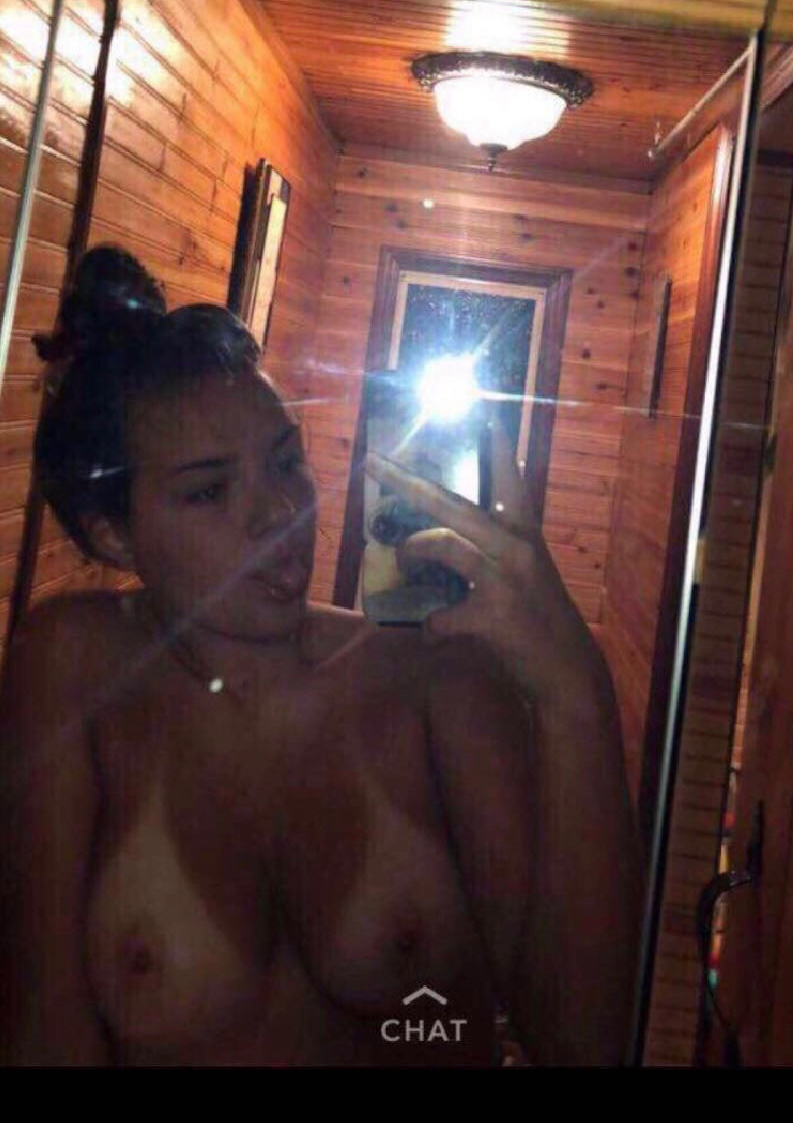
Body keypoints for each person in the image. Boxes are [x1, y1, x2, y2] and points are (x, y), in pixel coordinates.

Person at [0, 245, 642, 1067]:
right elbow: (44, 1033)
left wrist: (573, 687)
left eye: (285, 460)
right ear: (114, 534)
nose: (281, 512)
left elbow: (579, 1045)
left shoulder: (435, 675)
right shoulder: (73, 665)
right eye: (208, 489)